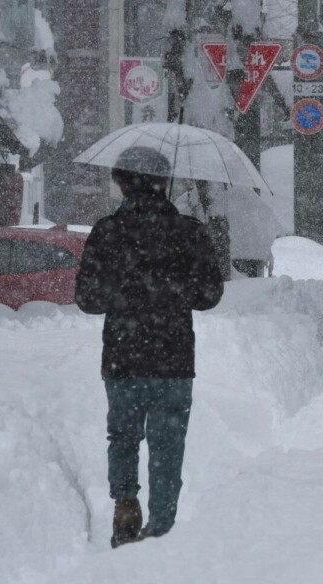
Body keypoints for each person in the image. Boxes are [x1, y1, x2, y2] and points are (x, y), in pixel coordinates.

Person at [75, 146, 224, 548]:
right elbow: (210, 295)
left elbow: (87, 299)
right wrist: (172, 288)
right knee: (167, 444)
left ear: (120, 182)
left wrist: (126, 291)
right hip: (174, 359)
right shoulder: (189, 232)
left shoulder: (107, 231)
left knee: (122, 437)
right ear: (163, 184)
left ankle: (125, 503)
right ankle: (161, 527)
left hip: (123, 357)